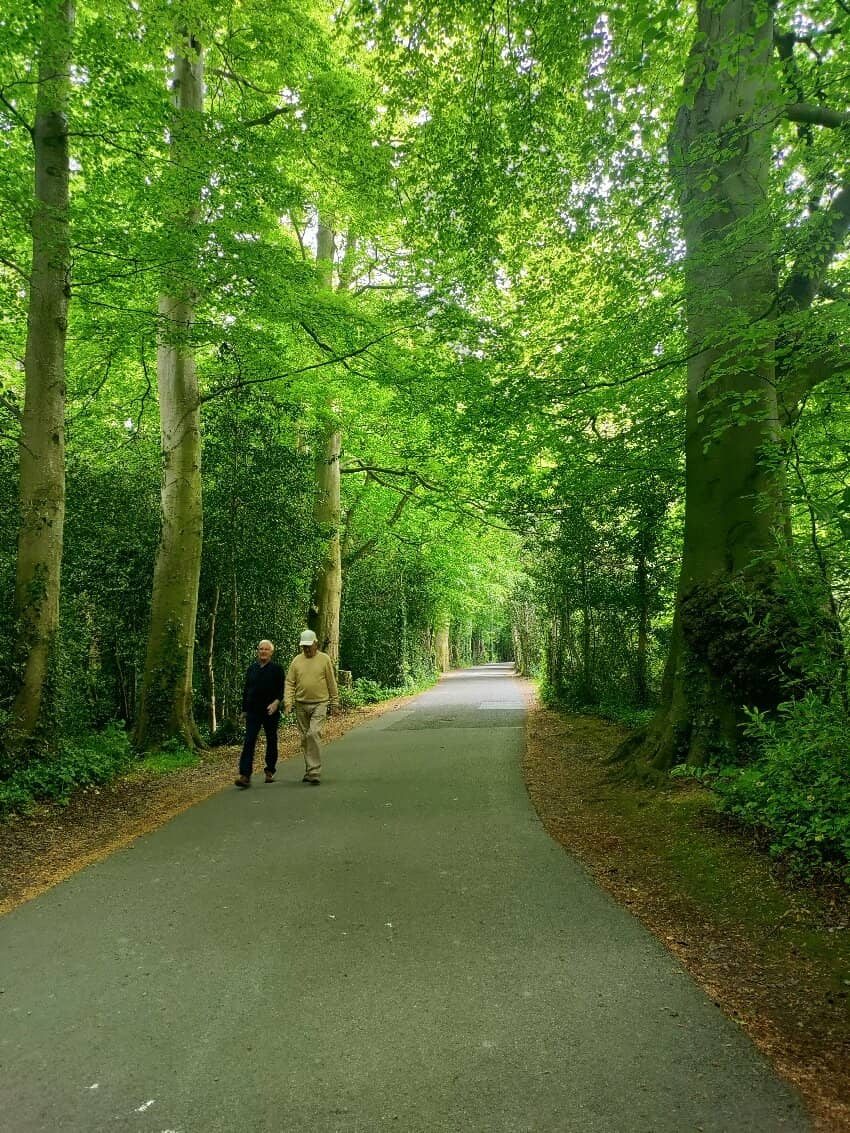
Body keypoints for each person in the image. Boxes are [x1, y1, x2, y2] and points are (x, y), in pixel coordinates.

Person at [284, 629, 339, 785]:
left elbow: (331, 682)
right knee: (305, 738)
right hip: (301, 704)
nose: (307, 649)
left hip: (320, 703)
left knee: (313, 734)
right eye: (304, 646)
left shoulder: (324, 659)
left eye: (309, 646)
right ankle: (310, 770)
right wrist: (288, 702)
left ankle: (314, 771)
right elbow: (289, 683)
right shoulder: (296, 661)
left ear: (316, 644)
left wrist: (335, 702)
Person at [235, 639, 285, 788]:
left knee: (271, 739)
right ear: (258, 651)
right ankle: (245, 775)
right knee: (249, 741)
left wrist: (276, 703)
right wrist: (244, 710)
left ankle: (269, 770)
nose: (263, 651)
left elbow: (281, 690)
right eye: (261, 649)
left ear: (271, 652)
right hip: (253, 711)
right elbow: (246, 690)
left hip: (270, 710)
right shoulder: (252, 669)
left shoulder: (277, 669)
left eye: (266, 649)